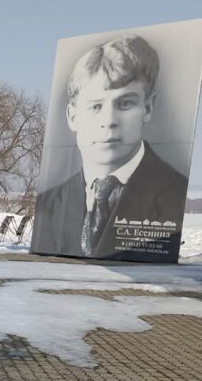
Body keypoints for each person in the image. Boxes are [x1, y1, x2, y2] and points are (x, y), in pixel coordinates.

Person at [32, 34, 189, 262]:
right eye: (96, 106)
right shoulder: (48, 205)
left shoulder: (174, 194)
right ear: (73, 116)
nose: (109, 120)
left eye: (125, 103)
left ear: (147, 108)